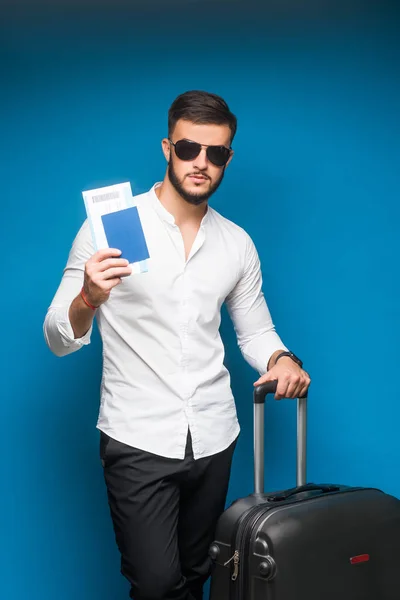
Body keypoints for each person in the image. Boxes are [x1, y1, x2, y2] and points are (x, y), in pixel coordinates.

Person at [44, 90, 311, 600]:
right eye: (190, 149)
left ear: (228, 158)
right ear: (168, 147)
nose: (201, 163)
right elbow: (58, 335)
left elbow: (254, 331)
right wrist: (88, 297)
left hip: (214, 434)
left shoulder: (237, 243)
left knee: (196, 577)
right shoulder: (110, 228)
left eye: (216, 153)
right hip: (137, 435)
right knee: (157, 583)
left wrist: (281, 359)